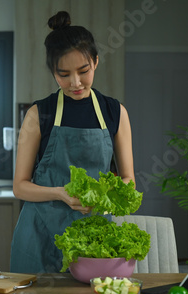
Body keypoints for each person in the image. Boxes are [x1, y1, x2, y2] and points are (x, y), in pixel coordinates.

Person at [10, 11, 135, 273]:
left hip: (93, 236)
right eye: (63, 74)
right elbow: (20, 187)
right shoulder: (38, 114)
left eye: (83, 71)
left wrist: (100, 196)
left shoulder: (115, 112)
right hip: (39, 233)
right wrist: (59, 193)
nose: (75, 83)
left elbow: (128, 180)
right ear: (53, 72)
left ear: (96, 61)